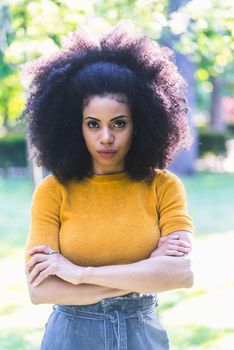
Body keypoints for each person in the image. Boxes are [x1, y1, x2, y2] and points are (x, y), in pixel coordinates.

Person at [22, 21, 195, 350]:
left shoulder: (163, 187)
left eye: (119, 123)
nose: (106, 137)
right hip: (71, 337)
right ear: (76, 127)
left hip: (143, 336)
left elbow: (180, 275)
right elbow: (40, 291)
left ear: (140, 122)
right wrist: (145, 273)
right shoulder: (52, 191)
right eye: (93, 124)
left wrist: (78, 274)